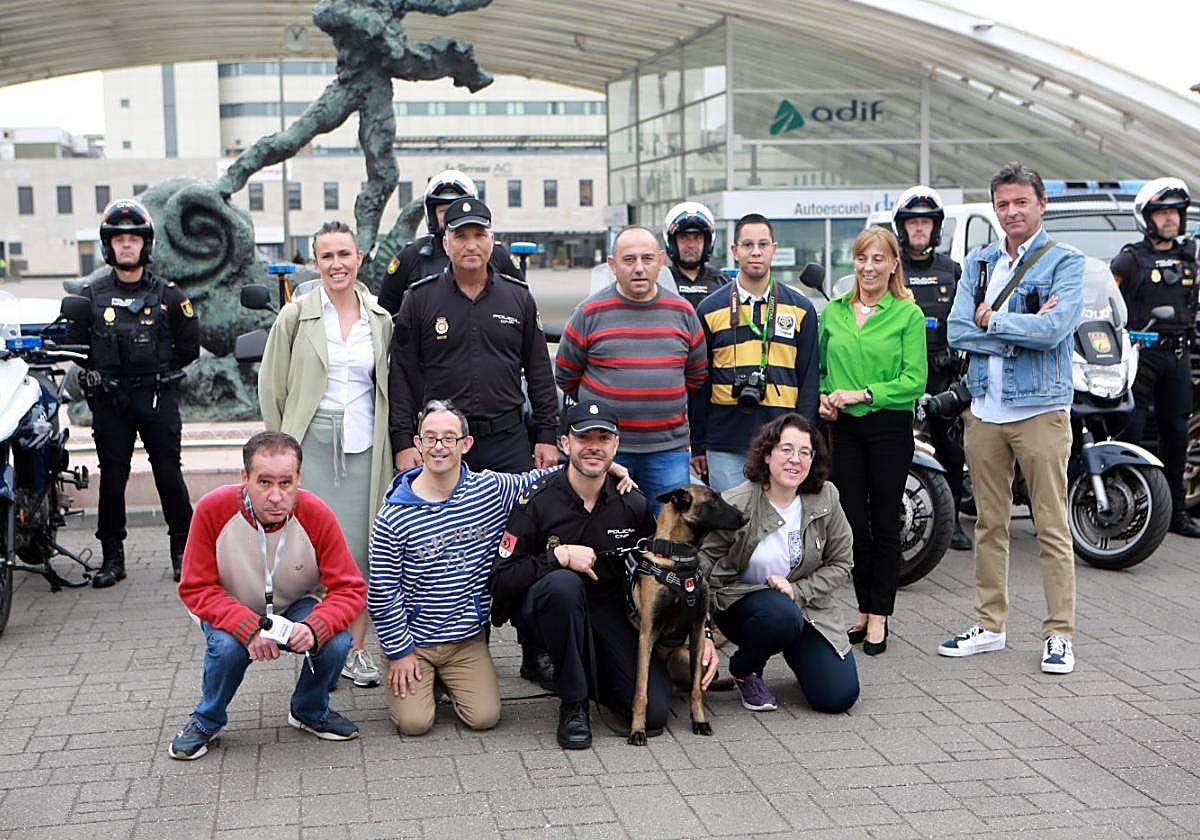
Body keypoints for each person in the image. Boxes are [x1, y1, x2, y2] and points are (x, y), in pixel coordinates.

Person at [370, 400, 633, 736]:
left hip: (464, 639)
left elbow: (541, 478)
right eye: (430, 438)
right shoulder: (392, 515)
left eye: (449, 438)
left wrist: (603, 465)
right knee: (414, 724)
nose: (439, 447)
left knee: (484, 717)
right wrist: (399, 652)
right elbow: (381, 591)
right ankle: (422, 677)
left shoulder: (489, 490)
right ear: (417, 444)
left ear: (466, 445)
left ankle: (448, 679)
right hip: (414, 641)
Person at [490, 401, 718, 748]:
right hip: (549, 609)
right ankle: (573, 701)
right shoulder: (537, 501)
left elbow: (661, 572)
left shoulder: (632, 503)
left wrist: (706, 634)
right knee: (564, 586)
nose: (593, 446)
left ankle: (588, 672)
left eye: (604, 438)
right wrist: (557, 557)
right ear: (565, 443)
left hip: (605, 612)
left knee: (655, 714)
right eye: (584, 438)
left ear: (616, 446)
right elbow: (502, 578)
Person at [939, 161, 1084, 675]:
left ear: (1041, 204)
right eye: (1003, 204)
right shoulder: (979, 263)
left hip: (1040, 411)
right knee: (988, 524)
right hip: (984, 411)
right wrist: (1019, 325)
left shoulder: (1065, 262)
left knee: (1050, 524)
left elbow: (1056, 330)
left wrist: (993, 319)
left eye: (1021, 201)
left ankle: (1059, 634)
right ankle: (990, 624)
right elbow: (958, 330)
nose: (1012, 211)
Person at [168, 431, 365, 760]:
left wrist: (314, 627)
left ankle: (309, 710)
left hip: (295, 606)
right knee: (227, 648)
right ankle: (207, 719)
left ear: (298, 478)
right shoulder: (212, 509)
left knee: (336, 640)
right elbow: (195, 588)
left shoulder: (316, 513)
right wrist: (249, 628)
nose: (276, 496)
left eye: (286, 483)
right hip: (231, 606)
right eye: (264, 483)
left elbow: (350, 587)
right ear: (244, 477)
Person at [258, 220, 393, 689]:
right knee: (312, 556)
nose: (337, 264)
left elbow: (386, 386)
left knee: (362, 555)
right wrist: (281, 451)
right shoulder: (296, 316)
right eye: (327, 256)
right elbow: (272, 386)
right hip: (310, 447)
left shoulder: (380, 318)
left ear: (359, 259)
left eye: (345, 255)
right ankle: (317, 644)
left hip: (364, 449)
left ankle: (354, 651)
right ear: (315, 263)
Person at [64, 199, 199, 588]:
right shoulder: (91, 295)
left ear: (146, 244)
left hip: (156, 398)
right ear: (109, 246)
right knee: (112, 479)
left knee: (169, 475)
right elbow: (76, 347)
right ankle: (111, 557)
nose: (127, 245)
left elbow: (189, 347)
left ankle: (183, 554)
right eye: (119, 239)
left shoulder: (170, 295)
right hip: (110, 401)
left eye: (133, 239)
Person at [698, 413, 859, 714]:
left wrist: (799, 589)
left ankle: (800, 655)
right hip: (739, 604)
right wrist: (702, 629)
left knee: (837, 696)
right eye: (786, 449)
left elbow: (841, 563)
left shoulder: (826, 497)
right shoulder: (736, 502)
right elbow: (704, 562)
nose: (795, 460)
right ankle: (746, 669)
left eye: (804, 452)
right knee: (780, 615)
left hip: (804, 606)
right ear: (768, 453)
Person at [389, 196, 558, 475]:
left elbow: (539, 371)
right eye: (460, 236)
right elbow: (401, 376)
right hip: (443, 444)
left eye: (479, 235)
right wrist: (402, 442)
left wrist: (547, 436)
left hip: (507, 442)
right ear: (446, 243)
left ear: (491, 241)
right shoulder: (419, 299)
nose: (471, 245)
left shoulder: (518, 298)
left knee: (516, 518)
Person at [818, 227, 926, 656]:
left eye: (879, 259)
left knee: (884, 524)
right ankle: (863, 608)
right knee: (852, 525)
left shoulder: (906, 315)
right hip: (844, 429)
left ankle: (880, 613)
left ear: (893, 264)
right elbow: (824, 370)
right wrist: (825, 399)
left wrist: (864, 394)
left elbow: (914, 380)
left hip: (888, 428)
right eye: (862, 258)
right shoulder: (834, 311)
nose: (869, 267)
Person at [555, 225, 707, 513]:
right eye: (629, 260)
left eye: (647, 259)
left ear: (661, 261)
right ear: (612, 265)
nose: (639, 268)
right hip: (607, 450)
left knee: (666, 536)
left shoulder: (684, 313)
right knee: (605, 531)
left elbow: (696, 375)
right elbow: (566, 375)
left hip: (668, 451)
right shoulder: (588, 313)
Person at [691, 213, 819, 492]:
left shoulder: (801, 308)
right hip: (725, 440)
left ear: (774, 249)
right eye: (747, 245)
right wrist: (697, 444)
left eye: (763, 244)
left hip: (784, 443)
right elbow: (700, 383)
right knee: (732, 530)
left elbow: (809, 381)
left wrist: (805, 439)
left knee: (779, 528)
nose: (756, 252)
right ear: (735, 251)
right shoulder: (709, 310)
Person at [1111, 178, 1200, 538]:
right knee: (1130, 430)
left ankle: (1176, 512)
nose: (1170, 219)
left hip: (1177, 356)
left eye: (1174, 213)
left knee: (1176, 434)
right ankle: (1128, 507)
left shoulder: (1189, 260)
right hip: (1139, 355)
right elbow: (1106, 303)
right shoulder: (1129, 260)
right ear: (1147, 218)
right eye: (1162, 213)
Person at [893, 185, 972, 550]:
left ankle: (951, 519)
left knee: (951, 450)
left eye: (926, 222)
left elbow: (967, 319)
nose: (919, 229)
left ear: (936, 228)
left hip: (942, 375)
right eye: (913, 223)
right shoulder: (892, 269)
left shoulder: (952, 270)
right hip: (899, 374)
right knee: (894, 447)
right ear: (902, 227)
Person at [377, 169, 522, 314]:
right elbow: (385, 315)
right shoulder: (411, 257)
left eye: (457, 208)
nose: (452, 216)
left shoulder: (497, 255)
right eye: (444, 211)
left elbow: (521, 306)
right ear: (431, 215)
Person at [663, 201, 727, 310]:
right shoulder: (660, 282)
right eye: (684, 237)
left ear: (707, 242)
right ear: (672, 242)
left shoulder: (722, 282)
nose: (691, 245)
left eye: (697, 238)